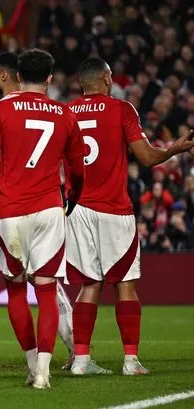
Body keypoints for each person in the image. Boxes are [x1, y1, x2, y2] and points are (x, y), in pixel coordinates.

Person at [0, 49, 86, 389]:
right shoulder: (65, 113)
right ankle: (44, 371)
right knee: (46, 290)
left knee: (15, 290)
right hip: (49, 209)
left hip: (10, 211)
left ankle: (31, 366)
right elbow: (77, 167)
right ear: (50, 78)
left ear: (17, 75)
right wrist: (74, 195)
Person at [66, 58, 194, 376]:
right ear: (107, 79)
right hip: (113, 208)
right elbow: (148, 157)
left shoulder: (65, 112)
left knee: (88, 284)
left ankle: (81, 360)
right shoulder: (122, 110)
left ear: (82, 83)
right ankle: (131, 361)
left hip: (76, 208)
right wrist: (175, 149)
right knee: (125, 283)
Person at [0, 52, 76, 369]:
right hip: (48, 205)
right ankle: (65, 355)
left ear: (10, 75)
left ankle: (61, 353)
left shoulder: (1, 111)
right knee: (48, 286)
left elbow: (4, 158)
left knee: (32, 287)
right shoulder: (56, 112)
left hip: (15, 206)